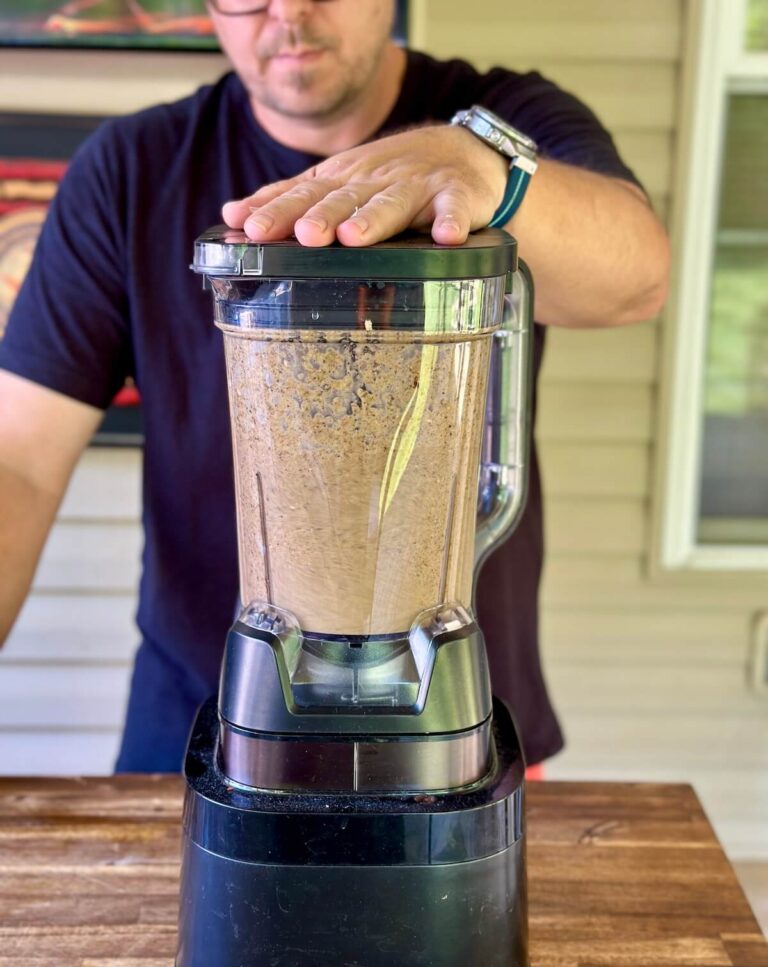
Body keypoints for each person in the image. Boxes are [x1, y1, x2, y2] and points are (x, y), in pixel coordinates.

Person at [0, 0, 670, 772]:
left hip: (456, 722)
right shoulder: (134, 169)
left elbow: (637, 278)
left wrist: (493, 177)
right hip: (200, 719)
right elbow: (19, 460)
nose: (288, 10)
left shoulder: (505, 121)